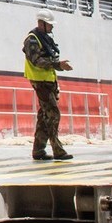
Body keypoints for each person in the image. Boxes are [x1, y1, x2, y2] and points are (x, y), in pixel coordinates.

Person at [23, 10, 73, 161]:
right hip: (40, 82)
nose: (52, 27)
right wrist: (57, 64)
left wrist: (58, 65)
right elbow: (37, 61)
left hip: (48, 81)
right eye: (50, 24)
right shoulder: (32, 40)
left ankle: (38, 150)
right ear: (41, 23)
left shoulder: (43, 38)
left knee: (44, 116)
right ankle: (58, 150)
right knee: (53, 115)